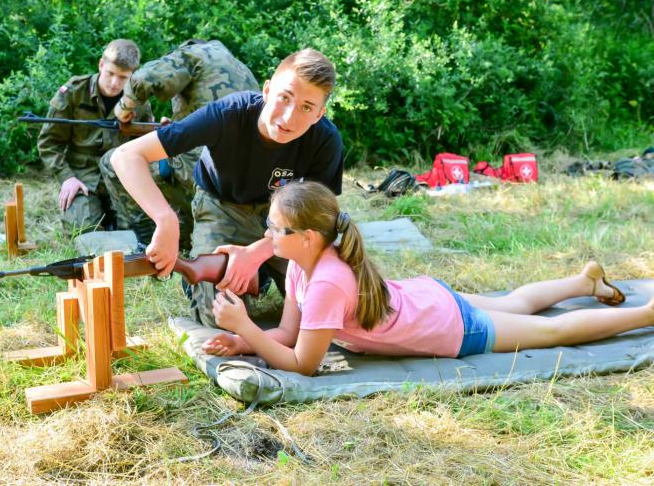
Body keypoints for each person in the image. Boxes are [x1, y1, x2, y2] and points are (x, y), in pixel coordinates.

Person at [202, 181, 652, 376]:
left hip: (449, 326)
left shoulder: (325, 284)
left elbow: (303, 363)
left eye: (275, 227)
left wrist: (246, 327)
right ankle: (584, 283)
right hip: (427, 299)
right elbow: (286, 334)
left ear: (308, 237)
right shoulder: (304, 267)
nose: (267, 234)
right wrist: (243, 342)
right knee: (514, 303)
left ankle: (646, 313)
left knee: (551, 332)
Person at [110, 48, 344, 326]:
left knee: (332, 301)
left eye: (306, 107)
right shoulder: (227, 114)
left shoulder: (326, 140)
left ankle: (259, 272)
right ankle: (226, 276)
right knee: (219, 316)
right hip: (223, 205)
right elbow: (126, 156)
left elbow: (320, 220)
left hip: (286, 216)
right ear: (267, 90)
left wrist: (256, 253)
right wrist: (165, 220)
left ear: (319, 114)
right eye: (285, 97)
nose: (289, 117)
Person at [100, 39, 259, 247]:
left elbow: (144, 79)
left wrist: (123, 110)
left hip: (204, 168)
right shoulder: (242, 69)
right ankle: (183, 237)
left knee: (112, 162)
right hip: (247, 176)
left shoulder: (195, 54)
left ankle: (148, 239)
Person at [37, 39, 158, 235]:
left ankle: (114, 219)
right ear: (101, 64)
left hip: (122, 180)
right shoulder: (74, 92)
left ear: (133, 75)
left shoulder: (138, 102)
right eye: (110, 73)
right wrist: (67, 178)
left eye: (123, 77)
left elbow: (147, 145)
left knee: (139, 233)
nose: (114, 83)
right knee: (85, 232)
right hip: (83, 178)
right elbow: (49, 143)